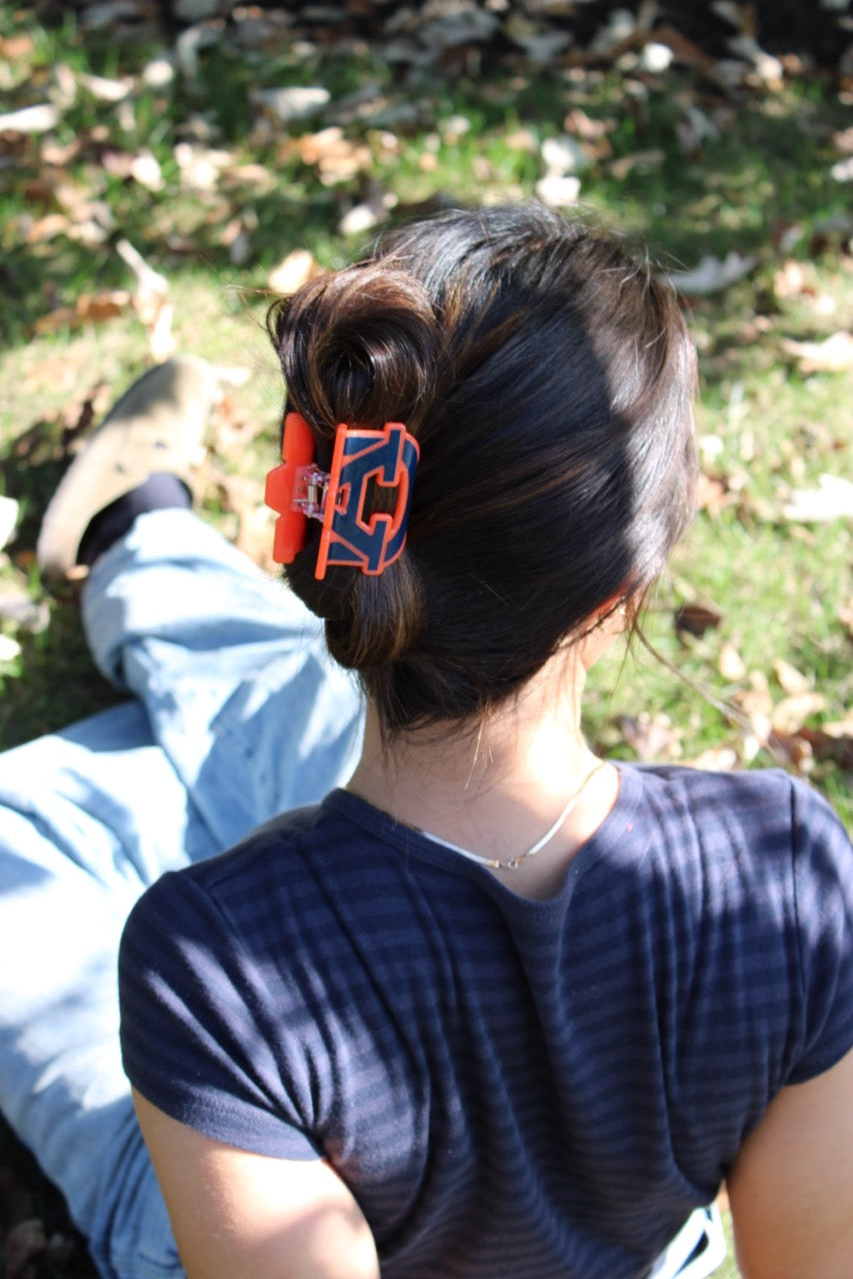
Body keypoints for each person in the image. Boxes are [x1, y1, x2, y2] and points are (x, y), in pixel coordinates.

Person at [0, 204, 850, 1279]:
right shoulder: (783, 863)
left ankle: (144, 536)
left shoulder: (202, 958)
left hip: (215, 1212)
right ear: (615, 598)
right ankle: (145, 535)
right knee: (277, 703)